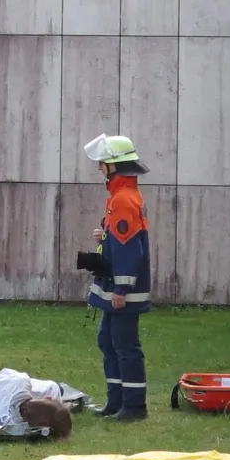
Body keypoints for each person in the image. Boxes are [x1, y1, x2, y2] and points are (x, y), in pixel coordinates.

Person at [83, 133, 153, 422]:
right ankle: (116, 402)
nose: (99, 168)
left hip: (123, 290)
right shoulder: (120, 197)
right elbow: (123, 240)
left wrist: (121, 290)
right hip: (115, 286)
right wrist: (105, 235)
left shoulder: (123, 199)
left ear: (114, 166)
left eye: (102, 163)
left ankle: (134, 406)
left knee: (125, 345)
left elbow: (129, 252)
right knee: (108, 341)